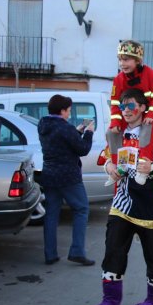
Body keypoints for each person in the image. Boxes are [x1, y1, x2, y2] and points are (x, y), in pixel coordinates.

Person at [89, 88, 153, 305]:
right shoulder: (118, 133)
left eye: (130, 106)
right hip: (123, 202)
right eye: (122, 106)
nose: (125, 111)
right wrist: (109, 167)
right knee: (113, 249)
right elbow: (106, 159)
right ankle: (110, 301)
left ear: (143, 108)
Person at [38, 94, 95, 266]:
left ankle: (50, 254)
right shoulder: (65, 128)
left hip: (49, 175)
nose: (69, 114)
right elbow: (83, 149)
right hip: (68, 176)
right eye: (68, 111)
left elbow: (60, 141)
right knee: (81, 209)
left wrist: (77, 131)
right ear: (62, 110)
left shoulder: (43, 125)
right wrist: (88, 133)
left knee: (51, 215)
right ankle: (77, 252)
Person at [107, 40, 153, 186]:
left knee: (147, 129)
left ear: (138, 60)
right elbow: (114, 103)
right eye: (120, 59)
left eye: (126, 59)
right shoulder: (118, 79)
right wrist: (115, 122)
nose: (122, 63)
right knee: (111, 133)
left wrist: (151, 115)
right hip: (130, 115)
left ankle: (143, 168)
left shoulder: (150, 74)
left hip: (151, 113)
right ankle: (117, 170)